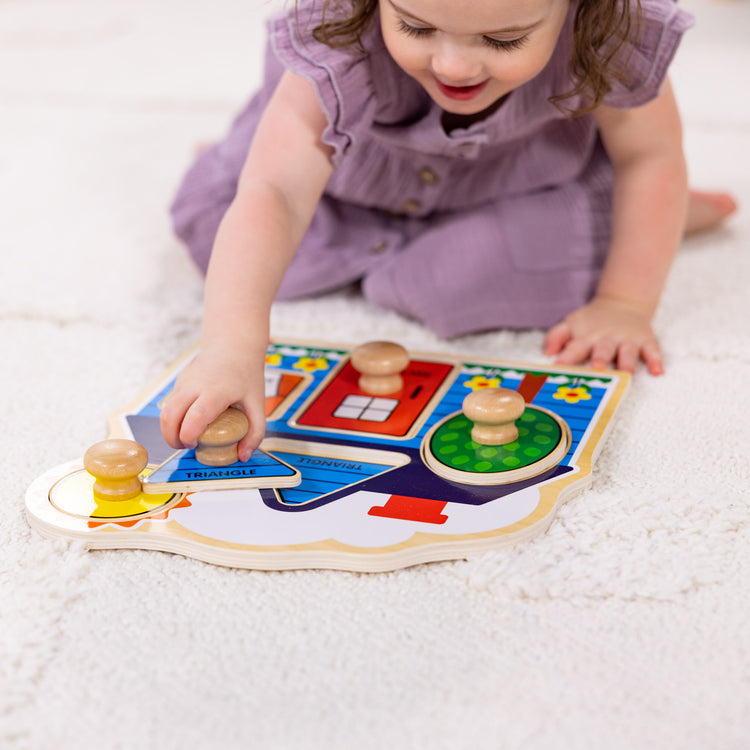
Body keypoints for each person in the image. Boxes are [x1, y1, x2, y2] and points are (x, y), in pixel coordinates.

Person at [161, 0, 737, 460]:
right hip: (348, 188)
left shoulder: (609, 29)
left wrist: (624, 302)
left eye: (504, 39)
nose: (453, 66)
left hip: (512, 187)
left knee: (452, 281)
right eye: (415, 26)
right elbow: (279, 194)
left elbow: (650, 157)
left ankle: (640, 212)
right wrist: (231, 346)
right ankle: (255, 152)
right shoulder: (341, 28)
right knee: (223, 229)